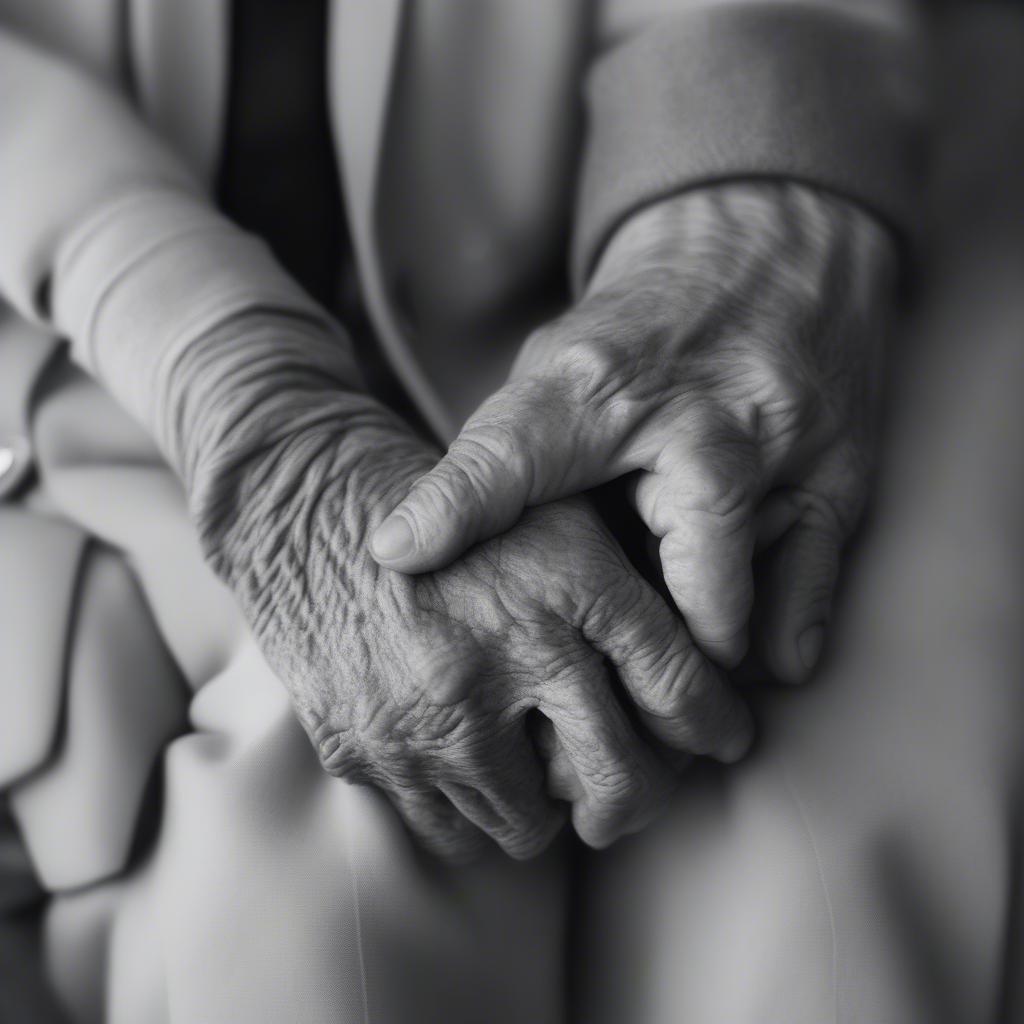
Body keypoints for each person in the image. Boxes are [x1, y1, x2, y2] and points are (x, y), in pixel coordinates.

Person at [1, 1, 1022, 1021]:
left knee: (829, 864)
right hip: (70, 331)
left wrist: (752, 180)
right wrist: (230, 378)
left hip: (723, 187)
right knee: (298, 886)